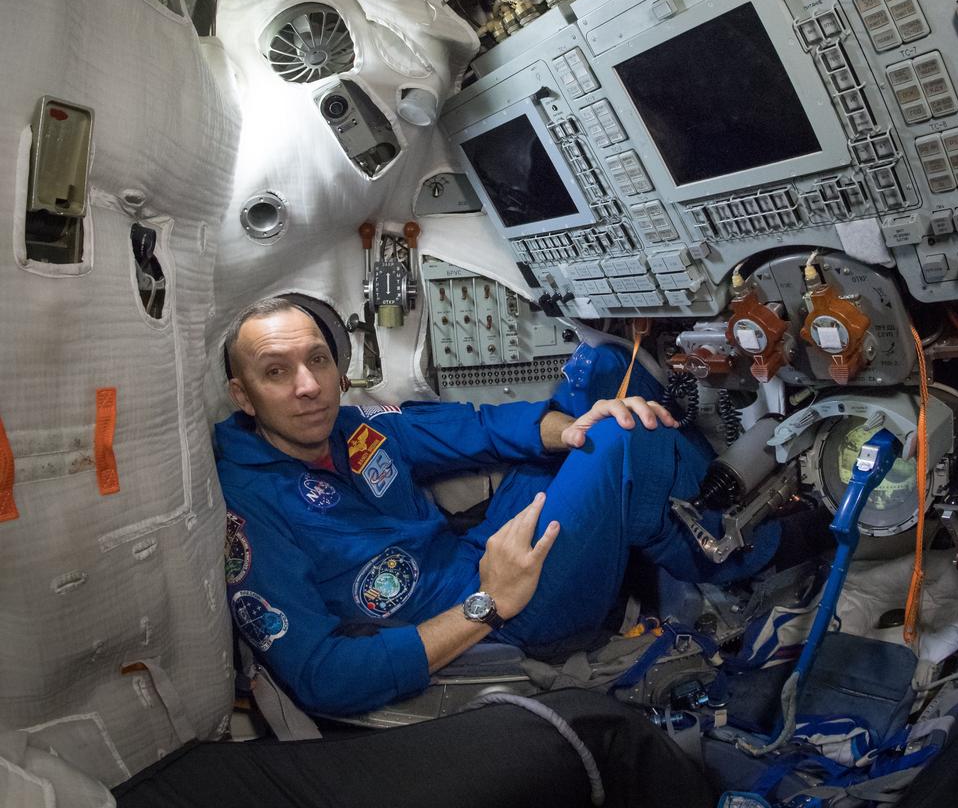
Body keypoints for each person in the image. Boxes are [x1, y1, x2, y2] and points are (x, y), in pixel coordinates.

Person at [215, 297, 782, 717]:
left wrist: (570, 429)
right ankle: (755, 554)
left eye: (318, 359)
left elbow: (477, 428)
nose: (309, 385)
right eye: (276, 371)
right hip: (500, 622)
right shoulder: (249, 509)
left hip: (480, 555)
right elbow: (321, 678)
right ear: (244, 395)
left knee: (602, 376)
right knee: (619, 439)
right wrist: (488, 604)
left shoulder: (350, 427)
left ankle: (687, 502)